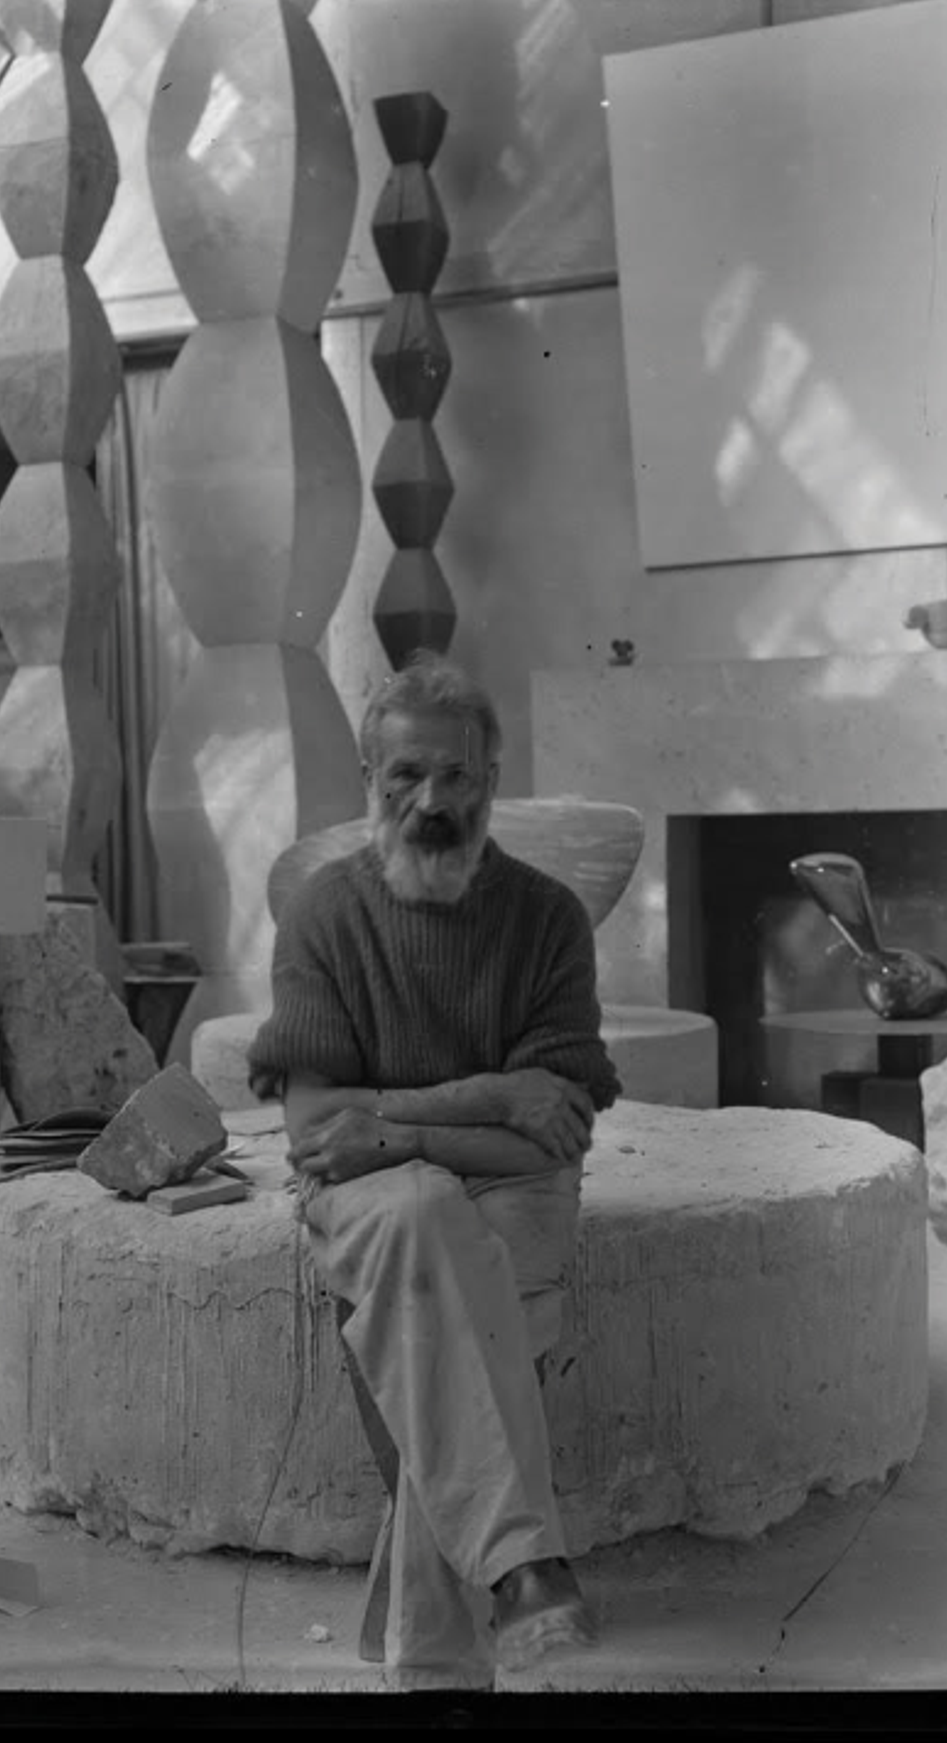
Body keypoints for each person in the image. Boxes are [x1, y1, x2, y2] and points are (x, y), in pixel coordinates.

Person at [247, 651, 622, 1690]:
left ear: (492, 780)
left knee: (441, 1285)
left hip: (507, 1183)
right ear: (369, 778)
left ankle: (440, 1659)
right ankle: (521, 1569)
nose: (432, 802)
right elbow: (318, 1132)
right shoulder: (325, 913)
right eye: (406, 775)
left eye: (457, 775)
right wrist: (493, 1094)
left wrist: (397, 1128)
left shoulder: (547, 919)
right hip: (378, 1193)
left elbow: (553, 1138)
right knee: (419, 1222)